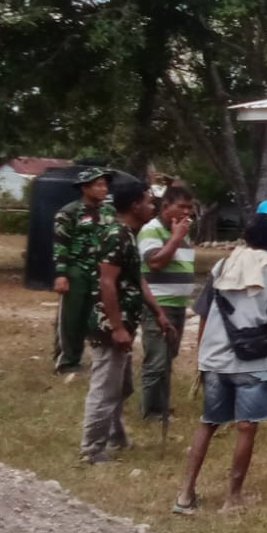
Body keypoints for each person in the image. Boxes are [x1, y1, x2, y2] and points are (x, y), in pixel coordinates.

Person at [175, 213, 267, 514]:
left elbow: (204, 314)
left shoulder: (220, 266)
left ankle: (185, 494)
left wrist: (202, 357)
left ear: (244, 235)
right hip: (254, 363)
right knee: (246, 426)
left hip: (214, 357)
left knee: (208, 422)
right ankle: (233, 498)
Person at [80, 180, 172, 463]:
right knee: (106, 386)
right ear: (134, 205)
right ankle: (91, 449)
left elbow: (135, 278)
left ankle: (116, 436)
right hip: (110, 326)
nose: (152, 206)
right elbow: (107, 283)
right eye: (148, 201)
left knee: (121, 385)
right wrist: (117, 327)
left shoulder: (128, 235)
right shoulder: (117, 235)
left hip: (125, 324)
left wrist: (157, 311)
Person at [138, 184, 197, 426]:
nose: (186, 213)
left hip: (178, 304)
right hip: (158, 303)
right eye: (181, 207)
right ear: (165, 207)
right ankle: (150, 411)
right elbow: (155, 262)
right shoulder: (150, 230)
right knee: (156, 358)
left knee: (168, 356)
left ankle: (162, 406)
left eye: (189, 208)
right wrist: (175, 238)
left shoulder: (181, 231)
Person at [52, 167, 115, 373]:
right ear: (85, 188)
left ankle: (89, 358)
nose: (103, 189)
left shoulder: (109, 212)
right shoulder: (69, 212)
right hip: (76, 270)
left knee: (93, 317)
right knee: (71, 317)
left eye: (105, 184)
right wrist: (61, 274)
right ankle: (66, 360)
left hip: (100, 272)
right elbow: (61, 243)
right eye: (98, 185)